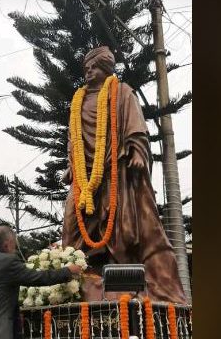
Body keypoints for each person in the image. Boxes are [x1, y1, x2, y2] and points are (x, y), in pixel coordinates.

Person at [61, 46, 187, 304]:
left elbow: (136, 127)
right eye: (85, 68)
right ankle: (72, 277)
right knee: (71, 224)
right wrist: (72, 166)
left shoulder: (122, 93)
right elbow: (73, 139)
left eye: (93, 67)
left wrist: (138, 151)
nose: (88, 72)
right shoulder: (78, 101)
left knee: (122, 228)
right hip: (84, 181)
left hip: (114, 172)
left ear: (106, 68)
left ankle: (125, 284)